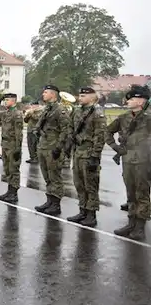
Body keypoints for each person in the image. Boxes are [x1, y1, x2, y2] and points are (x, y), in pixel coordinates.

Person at [106, 85, 151, 240]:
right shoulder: (124, 117)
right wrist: (115, 147)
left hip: (144, 162)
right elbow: (107, 131)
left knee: (142, 194)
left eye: (131, 99)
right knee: (131, 193)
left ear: (141, 101)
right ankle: (131, 223)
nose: (127, 101)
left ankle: (140, 227)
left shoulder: (148, 118)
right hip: (128, 161)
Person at [64, 87, 106, 228]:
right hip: (78, 152)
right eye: (79, 95)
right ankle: (82, 210)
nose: (79, 98)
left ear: (92, 97)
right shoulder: (77, 111)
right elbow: (70, 127)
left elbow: (100, 136)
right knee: (79, 184)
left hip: (89, 154)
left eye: (83, 96)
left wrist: (95, 156)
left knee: (91, 185)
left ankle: (91, 214)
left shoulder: (97, 113)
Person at [33, 85, 70, 216]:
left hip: (53, 146)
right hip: (43, 145)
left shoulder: (60, 109)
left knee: (55, 176)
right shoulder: (47, 109)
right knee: (47, 176)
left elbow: (65, 130)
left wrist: (59, 147)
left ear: (53, 95)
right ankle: (49, 200)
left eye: (46, 92)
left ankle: (56, 204)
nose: (43, 94)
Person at [0, 93, 23, 203]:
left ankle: (14, 193)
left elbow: (19, 133)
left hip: (12, 145)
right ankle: (9, 191)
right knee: (7, 169)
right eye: (5, 100)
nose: (5, 102)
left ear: (13, 101)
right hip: (5, 144)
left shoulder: (16, 114)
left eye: (7, 100)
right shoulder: (6, 113)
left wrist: (17, 148)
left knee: (13, 170)